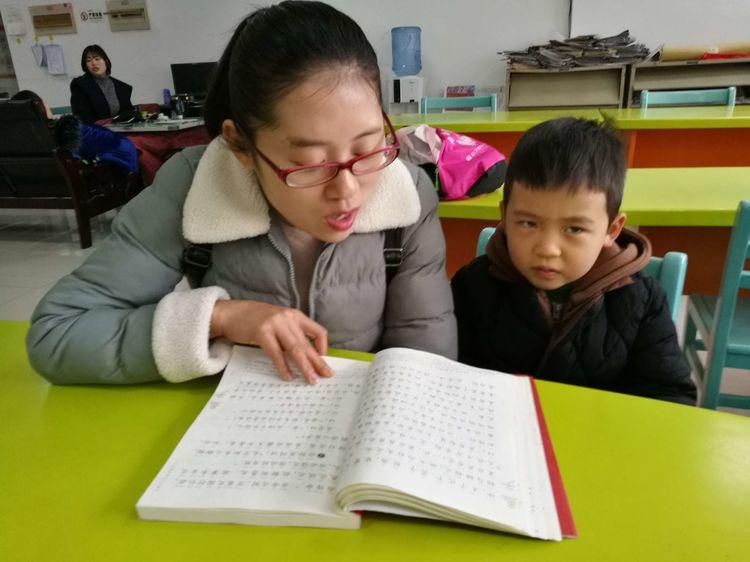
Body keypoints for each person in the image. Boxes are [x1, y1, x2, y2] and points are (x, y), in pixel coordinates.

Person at [27, 1, 456, 386]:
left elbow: (426, 348)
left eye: (367, 149)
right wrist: (218, 318)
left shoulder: (405, 194)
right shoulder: (194, 186)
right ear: (240, 145)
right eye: (310, 164)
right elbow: (57, 332)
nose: (347, 191)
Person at [451, 118, 696, 405]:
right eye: (528, 223)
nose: (548, 249)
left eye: (574, 229)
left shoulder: (641, 299)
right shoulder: (472, 286)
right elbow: (450, 377)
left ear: (611, 230)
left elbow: (670, 397)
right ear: (505, 216)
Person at [10, 90, 138, 174]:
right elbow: (122, 146)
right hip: (87, 184)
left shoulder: (15, 141)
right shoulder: (70, 130)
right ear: (42, 107)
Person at [70, 44, 135, 124]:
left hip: (121, 129)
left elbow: (128, 114)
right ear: (85, 65)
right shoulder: (80, 85)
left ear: (106, 61)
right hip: (95, 130)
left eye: (97, 59)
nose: (94, 63)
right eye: (88, 60)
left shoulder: (121, 87)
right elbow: (83, 119)